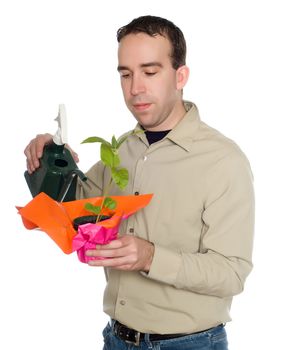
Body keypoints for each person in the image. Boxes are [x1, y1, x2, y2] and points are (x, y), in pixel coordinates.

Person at [24, 15, 255, 350]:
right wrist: (50, 157)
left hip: (190, 344)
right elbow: (75, 208)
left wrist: (150, 258)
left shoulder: (223, 161)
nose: (135, 89)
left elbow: (232, 273)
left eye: (150, 72)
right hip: (116, 339)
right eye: (125, 74)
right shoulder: (121, 150)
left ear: (180, 76)